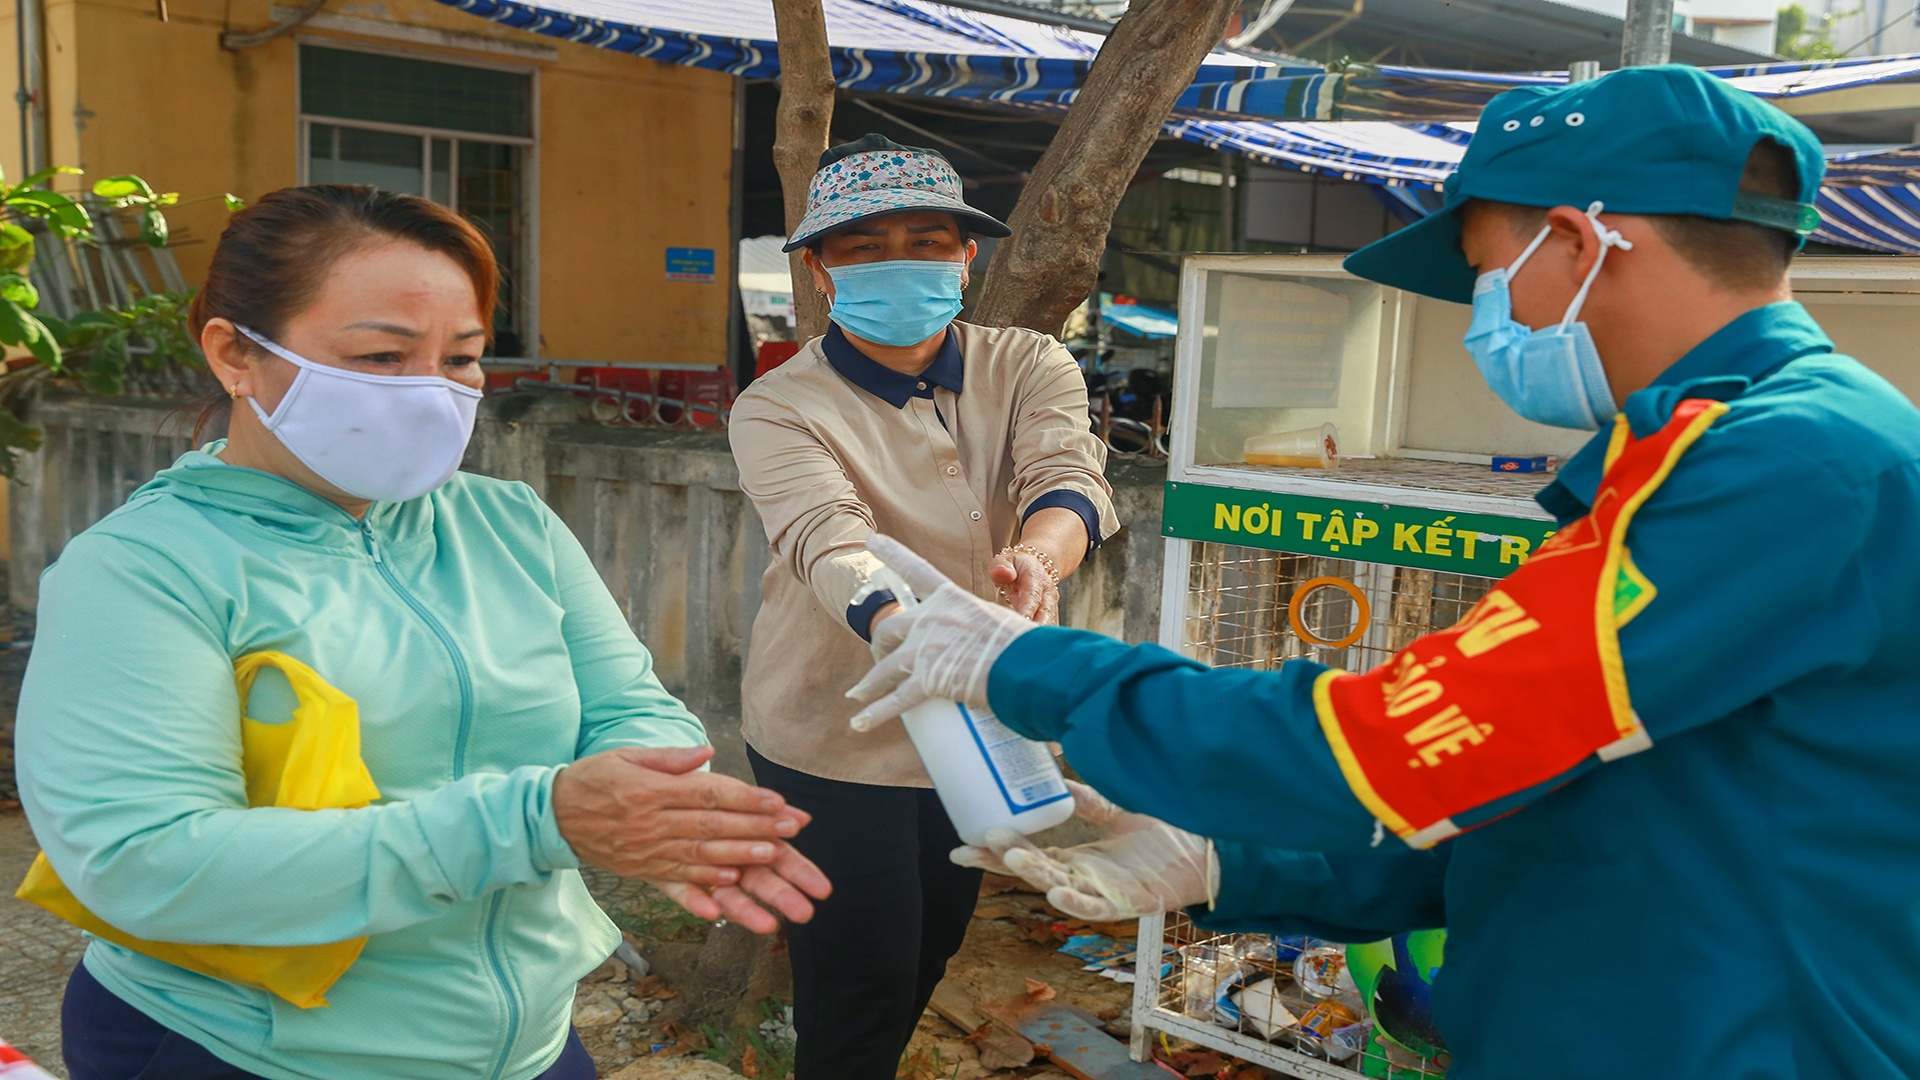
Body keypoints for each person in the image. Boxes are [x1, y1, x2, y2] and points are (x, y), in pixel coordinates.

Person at [847, 66, 1920, 1078]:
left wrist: (1027, 665)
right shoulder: (1694, 451)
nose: (1484, 320)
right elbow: (1549, 795)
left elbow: (1400, 741)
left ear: (1576, 241)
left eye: (1486, 276)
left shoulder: (1790, 463)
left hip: (1743, 1038)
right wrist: (1228, 863)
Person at [14, 185, 830, 1080]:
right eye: (380, 356)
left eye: (463, 359)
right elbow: (144, 862)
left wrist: (655, 806)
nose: (432, 393)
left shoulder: (508, 523)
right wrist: (537, 819)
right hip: (247, 1047)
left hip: (528, 1043)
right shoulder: (144, 569)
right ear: (235, 355)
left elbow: (632, 708)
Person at [728, 134, 1118, 1079]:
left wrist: (1037, 557)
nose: (899, 261)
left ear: (966, 256)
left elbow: (1069, 479)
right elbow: (827, 535)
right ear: (818, 270)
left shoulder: (1026, 362)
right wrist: (898, 625)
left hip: (983, 719)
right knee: (858, 974)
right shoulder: (778, 405)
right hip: (835, 731)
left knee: (932, 949)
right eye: (863, 247)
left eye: (927, 239)